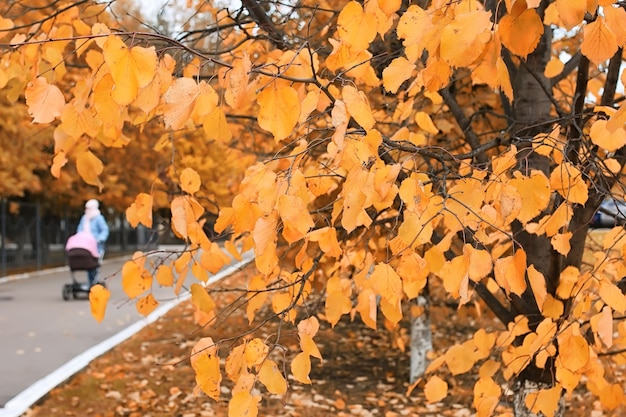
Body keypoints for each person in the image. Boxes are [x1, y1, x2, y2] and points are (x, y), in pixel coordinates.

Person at [77, 199, 109, 286]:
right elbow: (80, 229)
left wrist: (99, 239)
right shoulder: (84, 218)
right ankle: (90, 282)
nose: (87, 210)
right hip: (85, 246)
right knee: (88, 264)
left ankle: (94, 282)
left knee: (95, 265)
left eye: (89, 208)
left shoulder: (99, 218)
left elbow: (104, 230)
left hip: (96, 247)